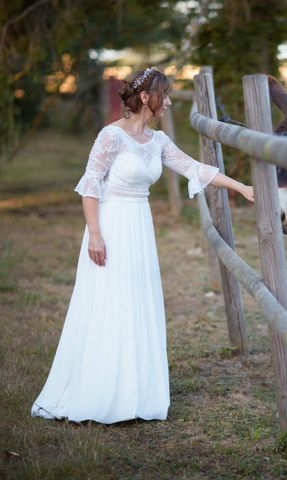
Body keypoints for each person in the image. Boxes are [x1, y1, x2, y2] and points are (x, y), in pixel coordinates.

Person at [31, 67, 254, 424]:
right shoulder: (111, 137)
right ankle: (100, 391)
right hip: (111, 225)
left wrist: (241, 187)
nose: (168, 102)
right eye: (164, 95)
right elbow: (90, 187)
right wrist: (95, 235)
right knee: (110, 303)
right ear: (146, 98)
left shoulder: (159, 142)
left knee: (137, 302)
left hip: (140, 227)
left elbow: (196, 168)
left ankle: (136, 392)